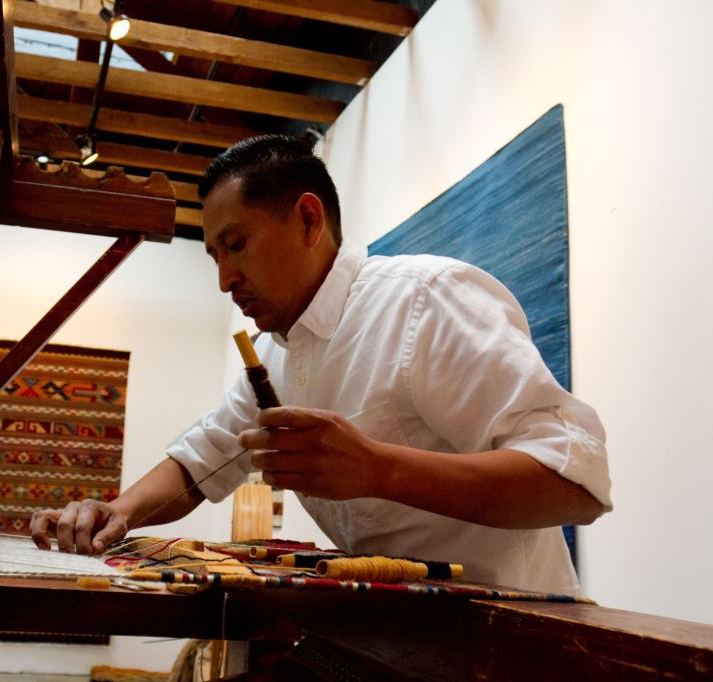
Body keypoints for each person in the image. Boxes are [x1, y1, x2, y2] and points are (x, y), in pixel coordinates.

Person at [31, 134, 612, 594]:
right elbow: (202, 460)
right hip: (390, 629)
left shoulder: (426, 297)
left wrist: (378, 469)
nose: (224, 278)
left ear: (309, 220)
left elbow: (574, 483)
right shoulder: (277, 356)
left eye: (236, 245)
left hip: (512, 636)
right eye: (213, 255)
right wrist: (115, 513)